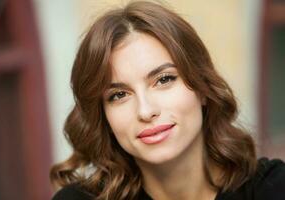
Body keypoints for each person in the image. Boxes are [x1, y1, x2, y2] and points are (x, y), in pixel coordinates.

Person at [50, 1, 285, 200]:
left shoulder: (273, 188)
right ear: (103, 115)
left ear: (202, 87)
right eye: (118, 95)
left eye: (164, 79)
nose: (145, 110)